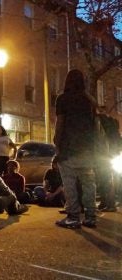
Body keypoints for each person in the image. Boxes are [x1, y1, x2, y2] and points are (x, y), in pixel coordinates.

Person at [54, 69, 98, 229]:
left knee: (69, 182)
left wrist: (57, 143)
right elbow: (94, 126)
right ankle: (91, 216)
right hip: (87, 148)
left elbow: (60, 123)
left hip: (69, 147)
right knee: (88, 183)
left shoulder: (63, 99)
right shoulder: (89, 100)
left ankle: (73, 216)